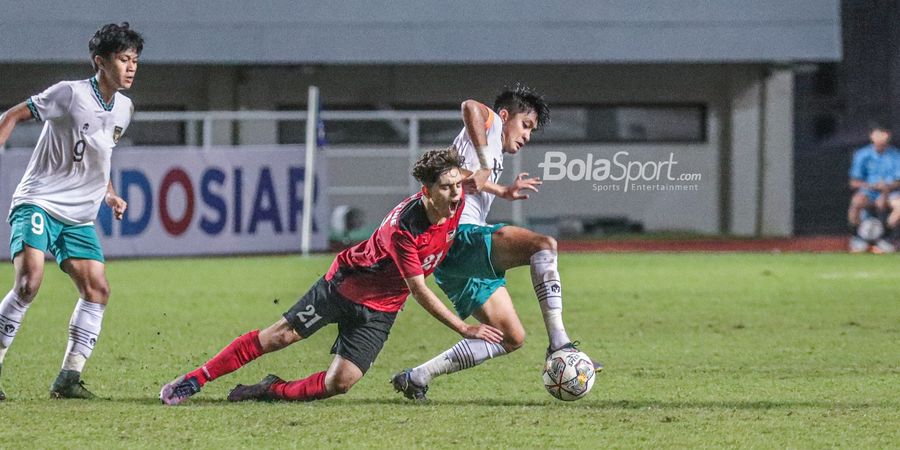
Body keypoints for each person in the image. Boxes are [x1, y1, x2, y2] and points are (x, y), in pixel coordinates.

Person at [159, 147, 502, 405]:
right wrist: (464, 328)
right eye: (447, 187)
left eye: (458, 185)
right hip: (344, 287)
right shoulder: (404, 230)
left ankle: (268, 389)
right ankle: (196, 378)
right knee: (280, 337)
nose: (456, 194)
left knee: (340, 383)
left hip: (381, 309)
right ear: (426, 191)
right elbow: (420, 290)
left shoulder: (456, 196)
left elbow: (478, 178)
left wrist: (505, 188)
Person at [391, 85, 601, 402]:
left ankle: (416, 377)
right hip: (460, 236)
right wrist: (485, 167)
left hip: (451, 258)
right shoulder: (491, 124)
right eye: (526, 125)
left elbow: (466, 178)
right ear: (505, 116)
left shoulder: (492, 150)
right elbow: (470, 106)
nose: (527, 135)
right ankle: (559, 341)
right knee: (542, 244)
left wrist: (496, 186)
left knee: (509, 337)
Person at [0, 23, 142, 400]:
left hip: (78, 216)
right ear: (100, 61)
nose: (131, 67)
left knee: (97, 289)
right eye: (123, 59)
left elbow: (100, 158)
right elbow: (11, 115)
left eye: (134, 60)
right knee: (29, 282)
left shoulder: (125, 109)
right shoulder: (69, 94)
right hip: (39, 201)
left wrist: (109, 193)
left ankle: (68, 378)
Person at [848, 123, 900, 253]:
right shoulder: (862, 154)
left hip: (890, 192)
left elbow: (898, 180)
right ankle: (858, 238)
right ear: (872, 136)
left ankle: (884, 238)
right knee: (856, 202)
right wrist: (871, 186)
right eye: (878, 134)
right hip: (869, 192)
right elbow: (854, 182)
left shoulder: (895, 155)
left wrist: (886, 189)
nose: (881, 137)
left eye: (884, 134)